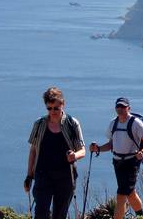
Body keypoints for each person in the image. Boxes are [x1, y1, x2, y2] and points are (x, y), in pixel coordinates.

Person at [24, 87, 86, 219]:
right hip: (42, 174)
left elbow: (82, 150)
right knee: (41, 212)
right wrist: (29, 176)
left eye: (56, 108)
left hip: (65, 176)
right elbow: (33, 150)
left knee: (59, 215)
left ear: (63, 105)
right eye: (49, 108)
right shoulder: (39, 124)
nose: (52, 111)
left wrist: (74, 156)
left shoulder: (72, 124)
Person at [90, 97, 143, 219]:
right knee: (130, 193)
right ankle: (142, 216)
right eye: (118, 107)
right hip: (117, 163)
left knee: (121, 195)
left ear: (128, 108)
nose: (120, 109)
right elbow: (111, 144)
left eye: (123, 107)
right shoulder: (113, 123)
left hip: (131, 163)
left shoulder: (136, 123)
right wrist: (98, 148)